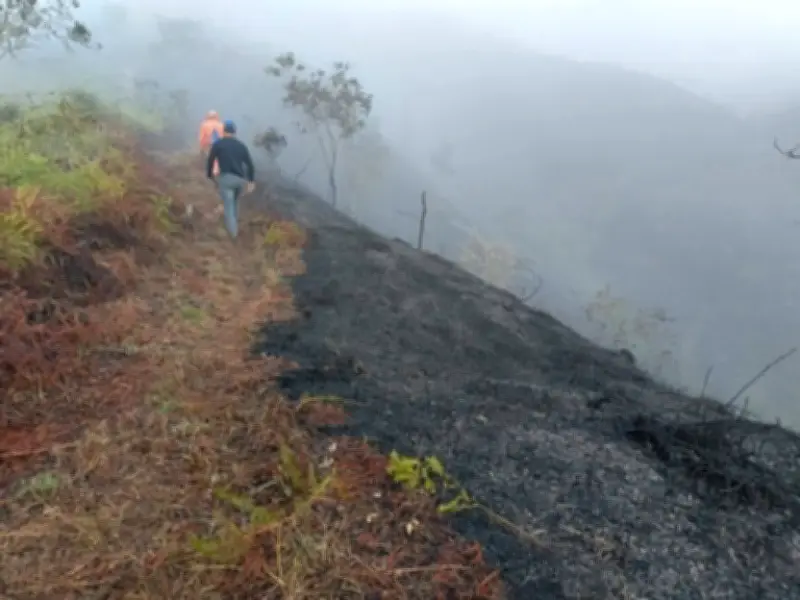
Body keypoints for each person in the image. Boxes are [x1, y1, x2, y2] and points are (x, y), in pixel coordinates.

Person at [206, 119, 255, 239]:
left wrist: (210, 176)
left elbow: (210, 161)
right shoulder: (241, 146)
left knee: (228, 208)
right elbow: (250, 165)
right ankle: (234, 228)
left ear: (223, 131)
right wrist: (251, 181)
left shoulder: (218, 144)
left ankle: (233, 237)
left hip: (226, 180)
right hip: (240, 181)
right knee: (235, 203)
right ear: (235, 132)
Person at [198, 110, 224, 176]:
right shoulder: (221, 125)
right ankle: (218, 171)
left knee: (211, 157)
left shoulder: (204, 124)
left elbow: (201, 137)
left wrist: (201, 147)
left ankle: (213, 172)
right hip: (220, 145)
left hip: (209, 144)